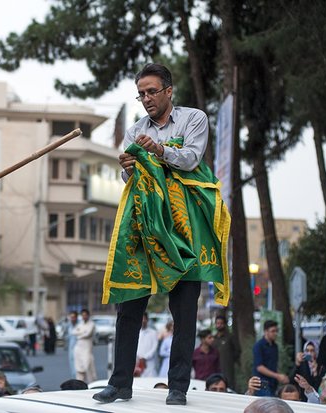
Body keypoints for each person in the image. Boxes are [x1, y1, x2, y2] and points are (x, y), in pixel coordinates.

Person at [93, 62, 230, 406]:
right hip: (145, 227)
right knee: (129, 306)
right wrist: (127, 170)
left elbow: (191, 159)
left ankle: (178, 388)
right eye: (140, 94)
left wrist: (158, 150)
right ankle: (120, 383)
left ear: (169, 91)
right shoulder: (135, 128)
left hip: (185, 229)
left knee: (184, 311)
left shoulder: (194, 119)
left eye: (152, 91)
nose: (146, 99)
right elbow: (132, 181)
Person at [253, 320, 288, 396]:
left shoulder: (275, 346)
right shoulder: (258, 346)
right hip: (262, 383)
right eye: (273, 331)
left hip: (273, 383)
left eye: (276, 331)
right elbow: (259, 367)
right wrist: (278, 376)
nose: (275, 333)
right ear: (266, 332)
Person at [212, 315, 239, 389]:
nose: (219, 325)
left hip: (228, 369)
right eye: (217, 323)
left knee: (228, 386)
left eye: (221, 323)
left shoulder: (230, 337)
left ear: (225, 324)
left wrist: (230, 360)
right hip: (215, 369)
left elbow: (237, 351)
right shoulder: (213, 338)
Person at [73, 309, 96, 383]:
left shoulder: (91, 324)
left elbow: (88, 334)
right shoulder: (80, 324)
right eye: (83, 315)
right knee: (79, 368)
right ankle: (79, 383)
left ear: (88, 315)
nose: (84, 317)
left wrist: (80, 333)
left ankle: (91, 383)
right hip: (78, 347)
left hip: (87, 348)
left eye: (85, 315)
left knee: (88, 365)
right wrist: (82, 332)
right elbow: (74, 332)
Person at [135, 312, 158, 377]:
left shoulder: (153, 332)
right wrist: (139, 357)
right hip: (137, 360)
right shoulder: (137, 332)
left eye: (144, 319)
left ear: (147, 320)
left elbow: (154, 347)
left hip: (149, 362)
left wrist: (145, 357)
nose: (142, 321)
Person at [66, 311, 79, 378]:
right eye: (71, 317)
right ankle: (74, 378)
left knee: (78, 366)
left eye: (73, 317)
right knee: (72, 364)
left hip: (79, 348)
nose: (72, 319)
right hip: (71, 348)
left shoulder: (80, 325)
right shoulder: (69, 325)